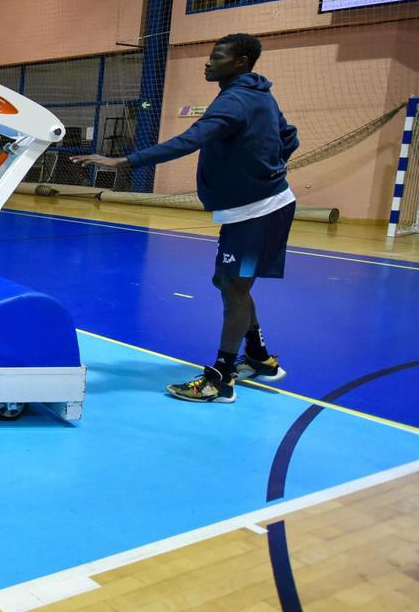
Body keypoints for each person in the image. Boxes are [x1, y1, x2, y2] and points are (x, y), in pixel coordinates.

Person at [73, 33, 298, 404]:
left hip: (260, 212)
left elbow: (191, 139)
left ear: (240, 61)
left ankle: (221, 380)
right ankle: (259, 358)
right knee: (227, 282)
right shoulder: (258, 94)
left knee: (235, 289)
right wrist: (261, 166)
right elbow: (289, 137)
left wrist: (125, 161)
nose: (207, 62)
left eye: (217, 57)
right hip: (252, 207)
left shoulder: (237, 100)